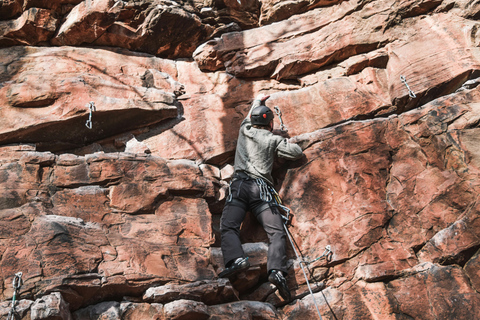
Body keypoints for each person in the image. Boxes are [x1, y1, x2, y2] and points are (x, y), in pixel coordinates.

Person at [219, 93, 304, 301]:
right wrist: (282, 137)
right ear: (270, 124)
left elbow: (249, 116)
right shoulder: (273, 139)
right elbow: (296, 152)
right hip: (261, 191)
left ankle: (236, 260)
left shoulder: (244, 130)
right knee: (276, 232)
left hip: (239, 188)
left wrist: (257, 101)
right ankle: (276, 271)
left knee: (228, 226)